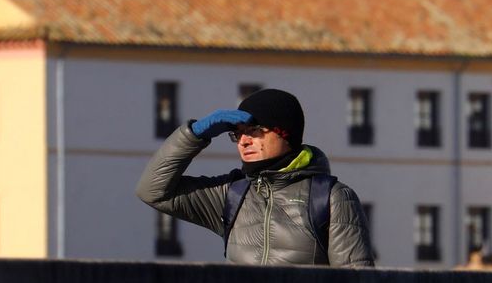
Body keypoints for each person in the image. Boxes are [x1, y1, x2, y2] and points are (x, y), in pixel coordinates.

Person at [136, 87, 375, 267]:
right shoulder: (231, 193)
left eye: (255, 131)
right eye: (236, 135)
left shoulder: (332, 198)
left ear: (286, 135)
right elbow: (153, 191)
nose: (244, 140)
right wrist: (195, 134)